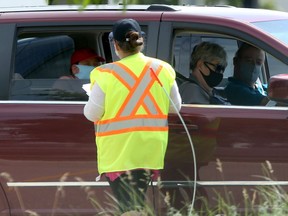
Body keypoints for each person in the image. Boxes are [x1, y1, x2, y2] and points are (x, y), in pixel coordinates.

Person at [83, 18, 181, 215]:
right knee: (133, 206)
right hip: (150, 150)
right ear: (140, 40)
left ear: (116, 44)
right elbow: (175, 107)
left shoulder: (104, 74)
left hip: (119, 153)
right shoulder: (162, 69)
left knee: (129, 208)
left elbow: (92, 114)